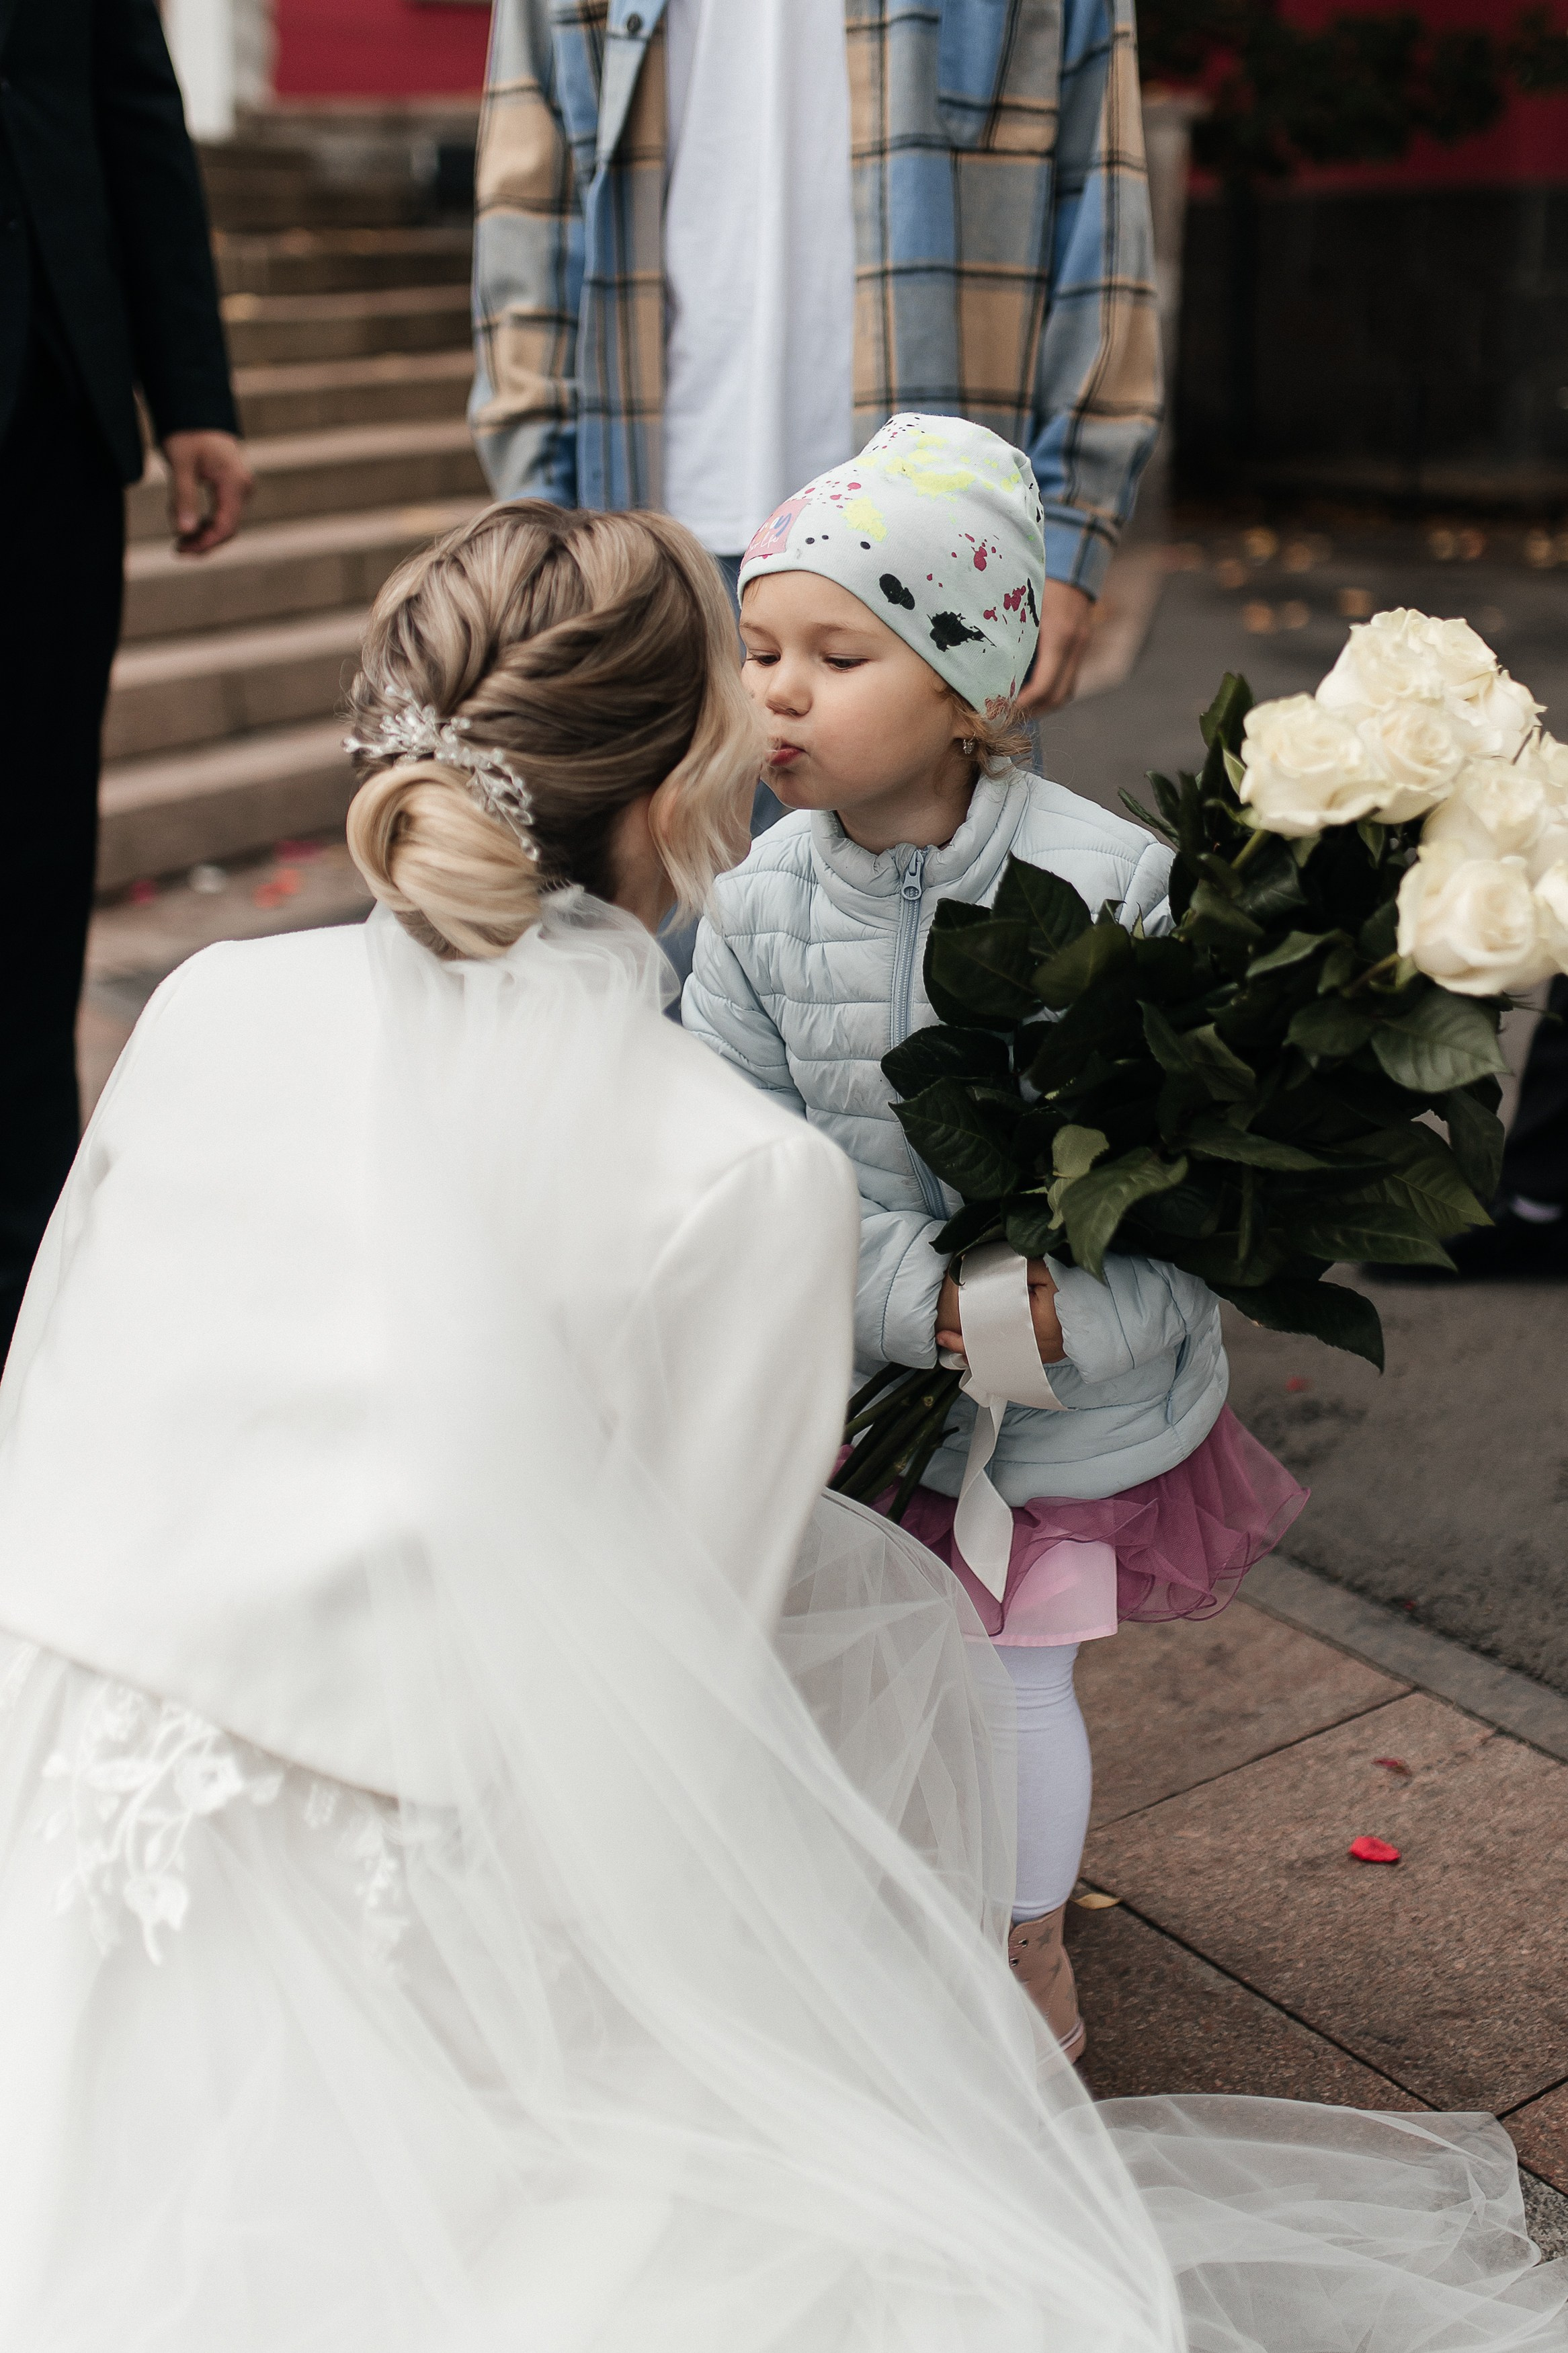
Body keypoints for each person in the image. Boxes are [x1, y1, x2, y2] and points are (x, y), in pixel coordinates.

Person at [0, 500, 1560, 2350]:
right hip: (431, 1911)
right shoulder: (739, 1176)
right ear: (689, 788)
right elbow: (676, 1673)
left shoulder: (204, 1001)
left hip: (70, 1842)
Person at [683, 413, 1307, 2063]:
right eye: (757, 651)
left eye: (836, 652)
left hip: (1064, 1412)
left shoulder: (1111, 892)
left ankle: (1028, 1943)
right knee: (868, 1668)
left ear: (976, 684)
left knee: (1020, 1678)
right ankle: (887, 1909)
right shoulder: (752, 908)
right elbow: (740, 1162)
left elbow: (1190, 1188)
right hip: (870, 1384)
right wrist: (922, 1312)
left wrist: (1047, 1326)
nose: (780, 694)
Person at [468, 0, 1160, 715]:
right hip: (636, 563)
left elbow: (1101, 210)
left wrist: (1072, 532)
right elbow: (528, 213)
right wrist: (539, 532)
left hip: (933, 568)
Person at [0, 0, 253, 1363]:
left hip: (45, 414)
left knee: (33, 882)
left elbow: (130, 98)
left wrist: (192, 387)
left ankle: (29, 1310)